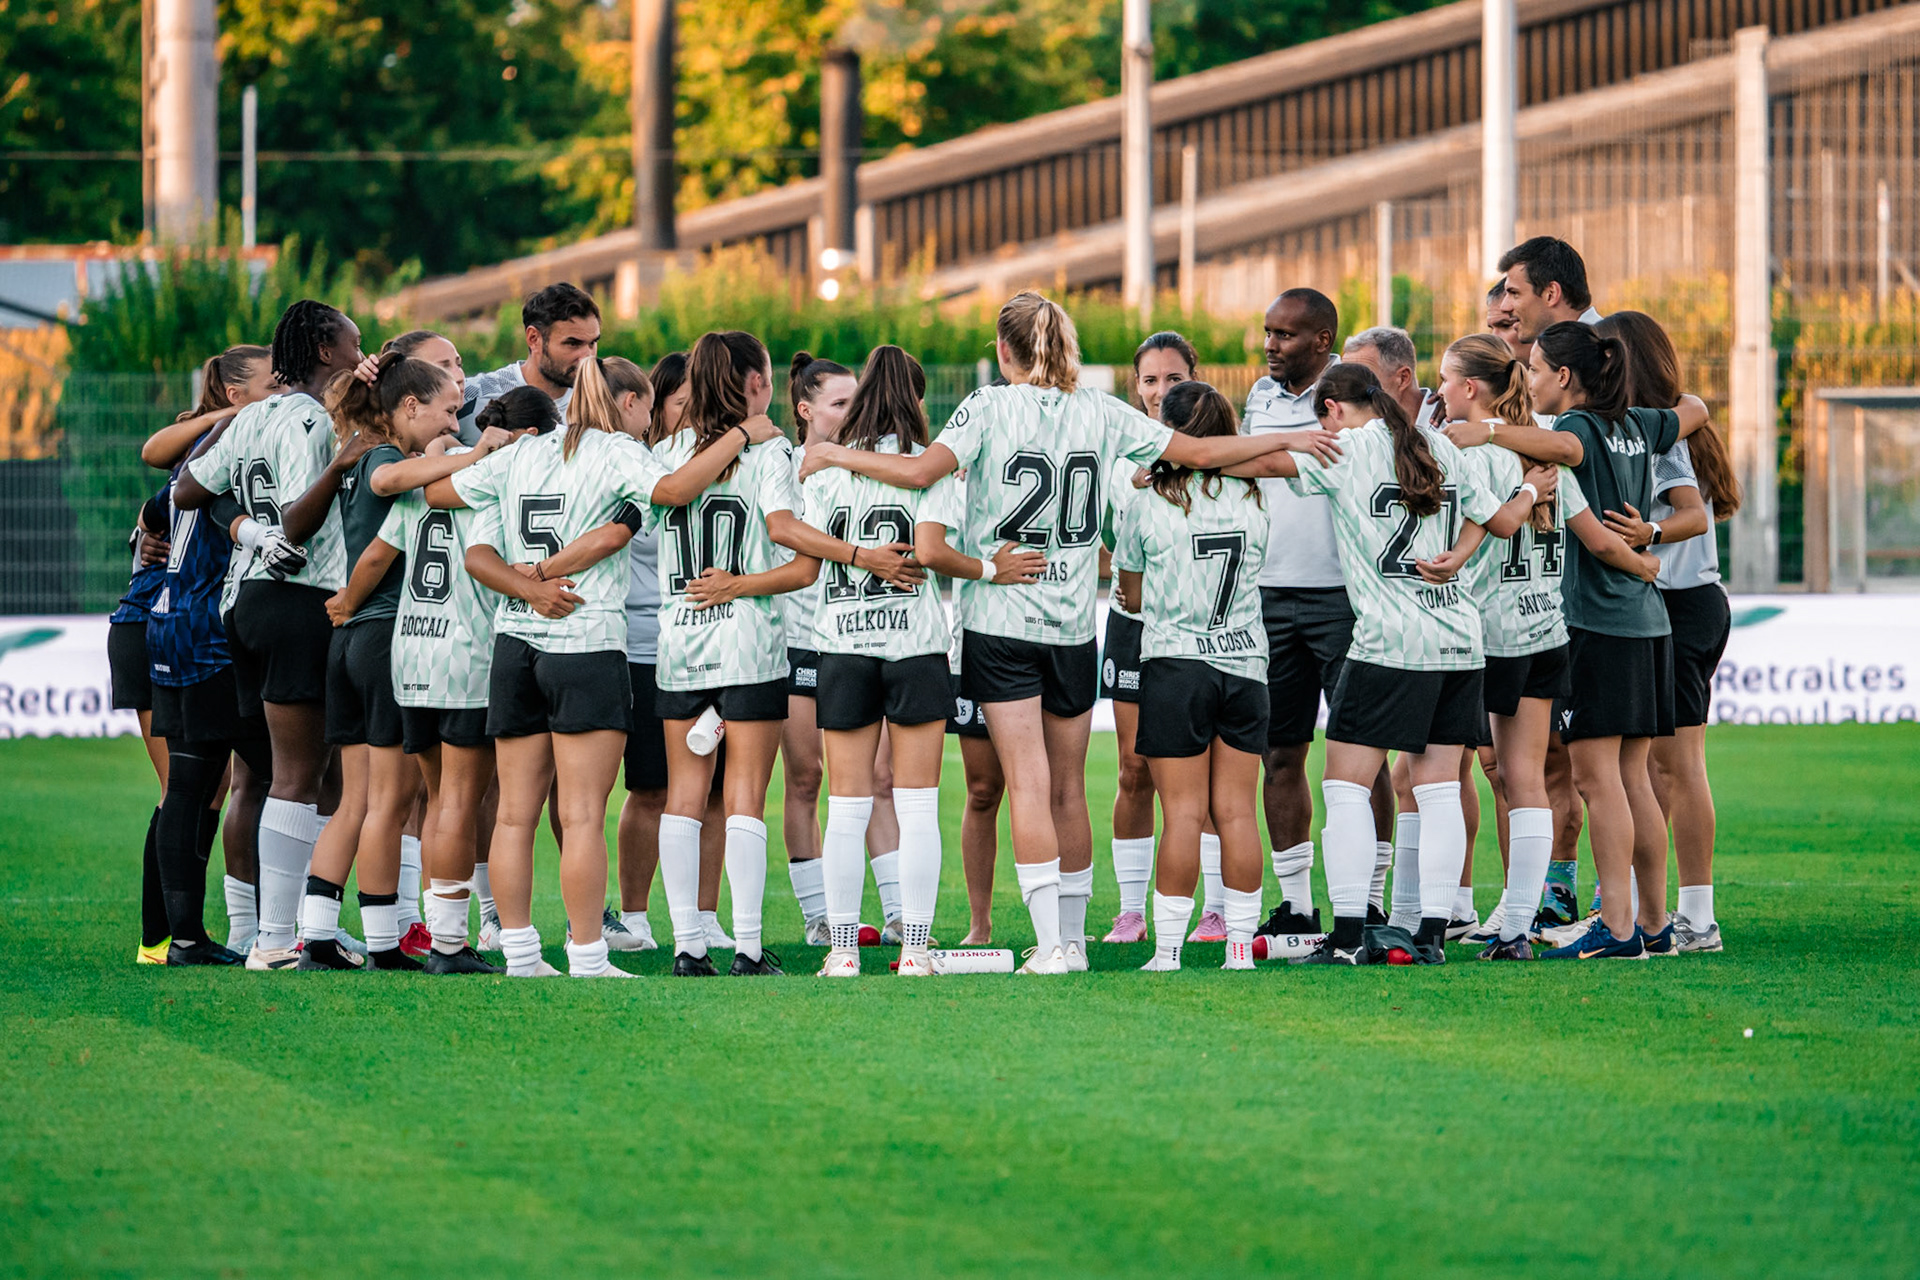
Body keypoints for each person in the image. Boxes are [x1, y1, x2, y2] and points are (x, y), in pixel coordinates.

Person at [800, 291, 1319, 974]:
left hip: (1003, 616)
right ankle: (1071, 940)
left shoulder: (987, 406)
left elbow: (923, 471)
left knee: (1029, 781)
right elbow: (1197, 449)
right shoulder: (1099, 408)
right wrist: (1286, 437)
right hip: (1074, 622)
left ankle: (1051, 945)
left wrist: (836, 456)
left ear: (1003, 349)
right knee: (1070, 786)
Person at [426, 354, 781, 977]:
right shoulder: (616, 451)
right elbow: (671, 492)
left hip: (516, 642)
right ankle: (588, 955)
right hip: (585, 640)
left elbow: (438, 493)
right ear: (621, 403)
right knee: (582, 813)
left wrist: (527, 582)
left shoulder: (519, 456)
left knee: (513, 811)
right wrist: (740, 433)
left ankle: (519, 955)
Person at [642, 331, 922, 977]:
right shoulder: (770, 452)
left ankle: (687, 947)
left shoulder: (668, 451)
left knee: (684, 796)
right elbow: (798, 566)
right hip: (749, 643)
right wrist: (743, 582)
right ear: (759, 387)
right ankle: (745, 947)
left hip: (680, 641)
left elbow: (666, 498)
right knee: (744, 795)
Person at [1244, 363, 1539, 965]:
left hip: (1389, 641)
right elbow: (1501, 519)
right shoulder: (1438, 443)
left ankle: (1350, 937)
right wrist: (1508, 511)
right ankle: (1430, 936)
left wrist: (1204, 453)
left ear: (1330, 412)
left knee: (1344, 785)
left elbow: (1264, 467)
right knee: (1438, 791)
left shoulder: (1346, 449)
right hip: (1459, 639)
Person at [1436, 334, 1645, 959]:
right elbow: (1598, 540)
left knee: (1433, 776)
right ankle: (1515, 927)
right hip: (1546, 633)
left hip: (1489, 635)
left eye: (1446, 378)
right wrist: (1645, 566)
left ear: (1471, 388)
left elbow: (1472, 530)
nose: (1439, 388)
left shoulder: (1472, 453)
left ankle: (1429, 918)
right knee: (1524, 777)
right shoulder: (1548, 461)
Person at [174, 300, 366, 971]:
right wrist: (339, 468)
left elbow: (188, 490)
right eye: (351, 339)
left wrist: (248, 530)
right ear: (321, 346)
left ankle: (275, 929)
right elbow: (298, 518)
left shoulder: (251, 414)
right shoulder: (311, 418)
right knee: (299, 777)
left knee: (263, 773)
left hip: (244, 601)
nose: (357, 346)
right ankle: (277, 940)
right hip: (295, 598)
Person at [334, 383, 545, 976]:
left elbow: (376, 557)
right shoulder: (499, 482)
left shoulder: (430, 481)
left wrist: (346, 603)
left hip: (411, 653)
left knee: (431, 802)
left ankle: (422, 937)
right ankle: (449, 946)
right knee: (456, 801)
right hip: (466, 655)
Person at [296, 353, 498, 971]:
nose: (454, 421)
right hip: (386, 634)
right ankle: (384, 942)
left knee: (356, 800)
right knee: (389, 800)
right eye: (446, 409)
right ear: (408, 407)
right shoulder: (383, 458)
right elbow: (388, 491)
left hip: (351, 637)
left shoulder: (359, 451)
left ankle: (320, 933)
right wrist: (476, 457)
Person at [529, 354, 734, 953]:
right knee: (646, 789)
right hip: (638, 644)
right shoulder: (633, 466)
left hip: (714, 642)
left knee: (716, 791)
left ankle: (706, 916)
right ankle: (632, 918)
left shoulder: (701, 466)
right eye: (680, 402)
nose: (693, 412)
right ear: (647, 405)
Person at [1523, 321, 1710, 959]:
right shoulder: (1638, 425)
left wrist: (1484, 429)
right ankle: (1656, 926)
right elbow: (1697, 409)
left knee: (1596, 778)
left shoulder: (1576, 430)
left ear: (1566, 377)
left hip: (1599, 624)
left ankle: (1619, 928)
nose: (1530, 380)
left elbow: (1556, 452)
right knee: (1631, 777)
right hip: (1648, 622)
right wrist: (1651, 539)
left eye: (1536, 369)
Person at [1238, 290, 1395, 954]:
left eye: (1286, 334)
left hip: (1342, 597)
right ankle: (1297, 905)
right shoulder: (1258, 397)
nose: (1271, 344)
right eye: (1268, 331)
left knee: (1366, 756)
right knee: (1280, 754)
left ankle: (1373, 901)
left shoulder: (1353, 399)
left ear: (1323, 339)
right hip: (1269, 595)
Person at [802, 346, 963, 977]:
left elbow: (808, 553)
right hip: (915, 646)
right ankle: (915, 950)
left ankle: (842, 952)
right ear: (916, 401)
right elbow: (938, 550)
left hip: (843, 647)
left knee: (846, 806)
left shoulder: (825, 472)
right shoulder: (932, 470)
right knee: (919, 805)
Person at [1113, 381, 1270, 971]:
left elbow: (1129, 593)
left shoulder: (1146, 504)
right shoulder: (1255, 498)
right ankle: (1239, 950)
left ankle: (1170, 952)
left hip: (1177, 664)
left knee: (1181, 814)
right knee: (1235, 811)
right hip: (1247, 664)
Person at [1595, 310, 1738, 954]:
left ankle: (1697, 917)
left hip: (1682, 602)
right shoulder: (1657, 425)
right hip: (1672, 604)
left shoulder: (1659, 434)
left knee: (1675, 764)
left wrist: (1646, 536)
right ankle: (1643, 909)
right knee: (1651, 764)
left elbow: (1691, 520)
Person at [138, 344, 279, 965]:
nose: (284, 393)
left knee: (195, 783)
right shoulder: (230, 440)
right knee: (291, 774)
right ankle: (281, 930)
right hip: (206, 629)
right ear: (235, 394)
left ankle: (182, 938)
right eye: (274, 383)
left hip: (174, 620)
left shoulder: (203, 446)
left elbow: (164, 503)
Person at [780, 352, 907, 945]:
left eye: (856, 399)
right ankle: (818, 917)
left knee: (877, 779)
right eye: (838, 402)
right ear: (805, 410)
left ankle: (901, 912)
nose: (853, 410)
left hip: (860, 639)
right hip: (801, 642)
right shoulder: (782, 465)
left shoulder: (871, 462)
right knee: (806, 779)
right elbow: (791, 539)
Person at [1100, 330, 1193, 945]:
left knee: (1199, 775)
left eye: (1174, 379)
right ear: (1136, 387)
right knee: (1134, 768)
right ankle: (1132, 912)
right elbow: (1113, 545)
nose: (1161, 391)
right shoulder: (1114, 455)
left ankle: (1211, 913)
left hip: (1201, 633)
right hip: (1135, 626)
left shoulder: (1218, 450)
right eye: (1151, 380)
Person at [455, 282, 600, 443]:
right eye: (573, 344)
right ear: (534, 338)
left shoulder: (603, 404)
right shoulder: (469, 396)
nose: (587, 356)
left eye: (592, 343)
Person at [1498, 236, 1602, 344]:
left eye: (1514, 293)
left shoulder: (1606, 353)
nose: (1504, 307)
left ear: (1551, 294)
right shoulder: (1567, 351)